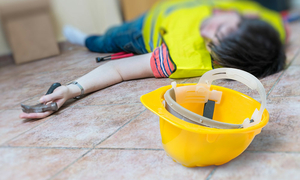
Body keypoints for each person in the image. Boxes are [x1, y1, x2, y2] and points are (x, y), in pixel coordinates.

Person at [19, 0, 288, 119]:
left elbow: (119, 70)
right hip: (172, 9)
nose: (207, 31)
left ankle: (83, 39)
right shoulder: (265, 23)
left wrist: (72, 89)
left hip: (140, 31)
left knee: (107, 39)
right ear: (247, 20)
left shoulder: (178, 58)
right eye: (221, 28)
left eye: (211, 42)